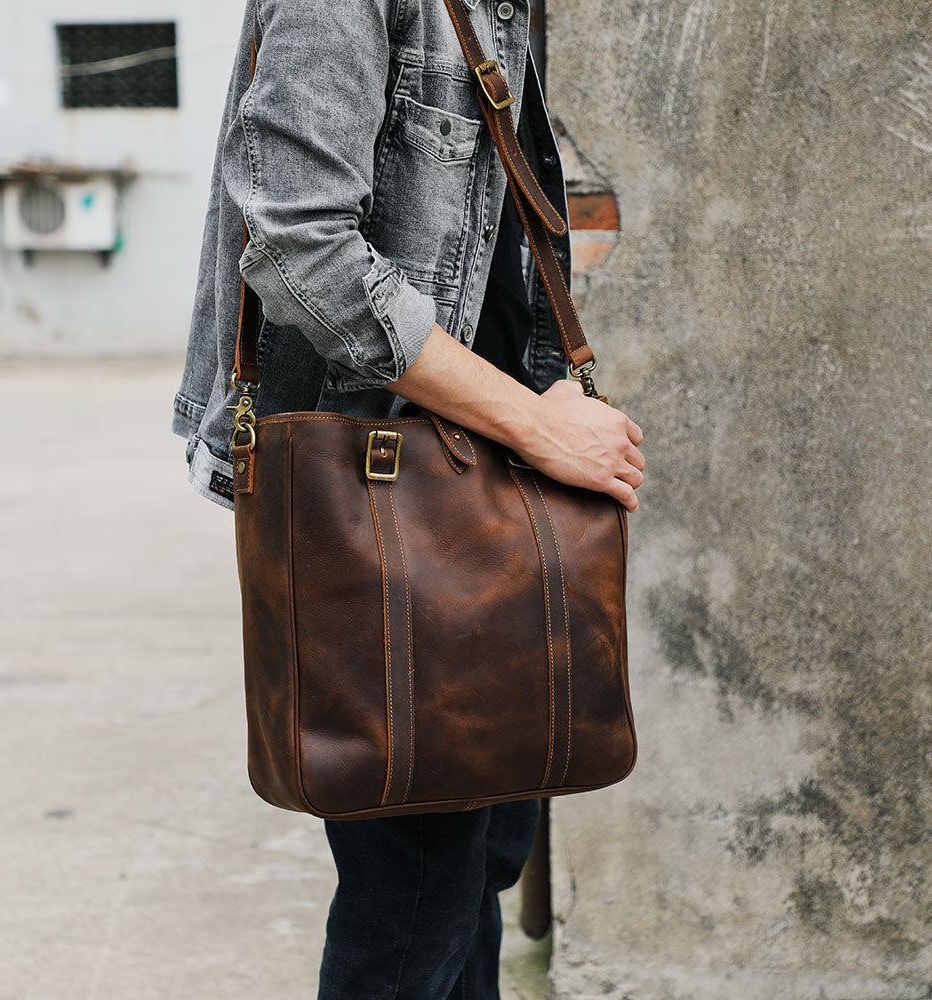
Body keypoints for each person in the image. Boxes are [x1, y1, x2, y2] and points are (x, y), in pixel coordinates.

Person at [172, 1, 645, 996]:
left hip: (499, 492)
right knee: (416, 892)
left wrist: (548, 392)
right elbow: (300, 246)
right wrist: (536, 420)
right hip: (385, 491)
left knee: (474, 859)